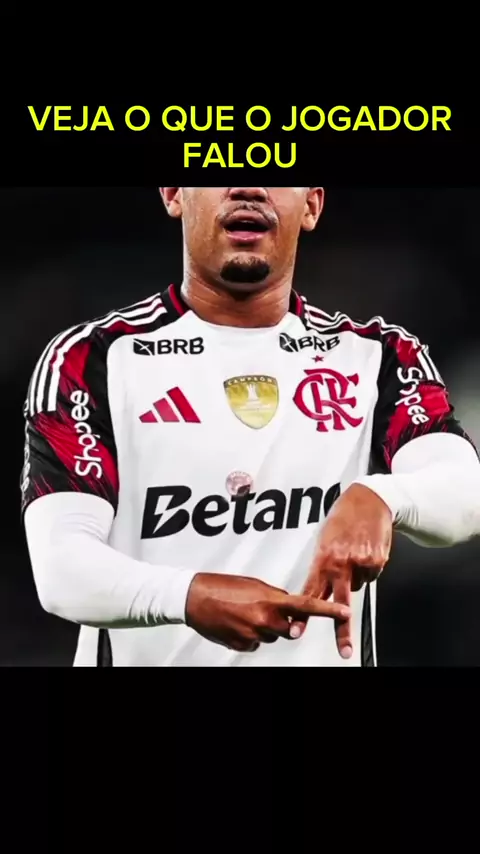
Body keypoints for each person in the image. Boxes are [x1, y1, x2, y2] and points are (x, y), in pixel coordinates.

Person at [21, 187, 480, 667]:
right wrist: (190, 596)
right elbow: (61, 570)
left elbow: (465, 494)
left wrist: (384, 497)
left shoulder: (376, 355)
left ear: (312, 205)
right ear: (174, 194)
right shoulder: (92, 358)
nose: (248, 187)